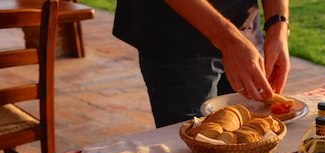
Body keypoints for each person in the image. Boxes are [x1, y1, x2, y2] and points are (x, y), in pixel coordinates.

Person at [113, 0, 290, 127]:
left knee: (253, 140)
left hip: (245, 34)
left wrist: (278, 25)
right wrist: (228, 41)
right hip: (177, 41)